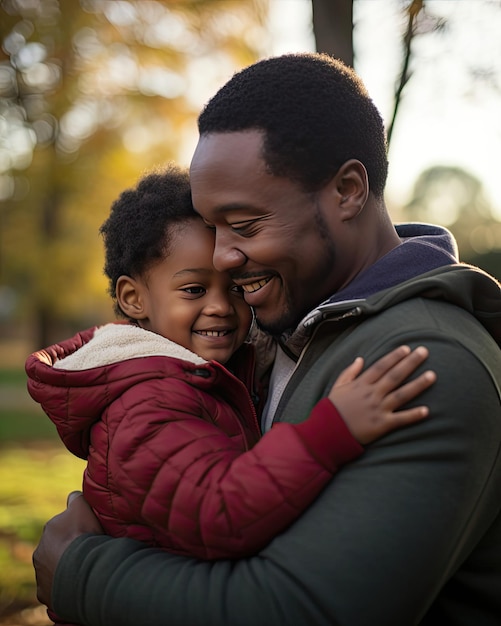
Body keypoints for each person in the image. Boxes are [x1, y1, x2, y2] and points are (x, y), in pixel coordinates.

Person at [33, 53, 501, 626]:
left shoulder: (425, 361)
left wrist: (83, 573)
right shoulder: (278, 330)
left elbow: (302, 610)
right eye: (213, 227)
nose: (225, 258)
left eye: (246, 225)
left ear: (349, 191)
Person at [27, 164, 434, 565]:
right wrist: (331, 430)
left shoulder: (209, 374)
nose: (221, 307)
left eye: (235, 288)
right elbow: (219, 517)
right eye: (194, 289)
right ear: (134, 298)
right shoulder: (147, 401)